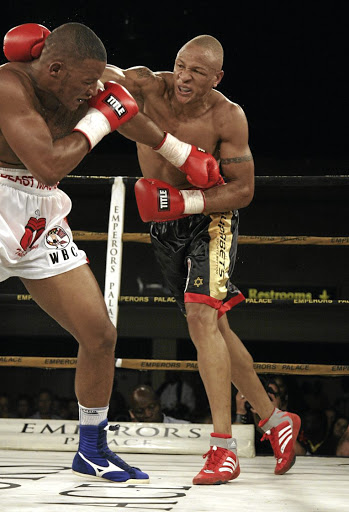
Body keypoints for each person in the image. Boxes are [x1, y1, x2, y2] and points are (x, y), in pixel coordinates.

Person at [0, 22, 221, 484]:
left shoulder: (87, 79)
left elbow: (126, 110)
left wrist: (180, 154)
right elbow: (48, 161)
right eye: (85, 85)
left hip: (41, 215)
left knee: (99, 335)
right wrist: (101, 116)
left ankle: (92, 448)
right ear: (54, 68)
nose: (92, 92)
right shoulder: (8, 86)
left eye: (96, 84)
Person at [103, 35, 301, 485]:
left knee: (199, 315)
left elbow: (243, 190)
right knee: (214, 330)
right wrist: (50, 51)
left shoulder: (228, 116)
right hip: (162, 226)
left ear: (217, 77)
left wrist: (185, 202)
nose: (184, 78)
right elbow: (100, 74)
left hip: (210, 220)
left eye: (197, 71)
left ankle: (223, 448)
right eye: (180, 65)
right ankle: (275, 420)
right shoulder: (149, 87)